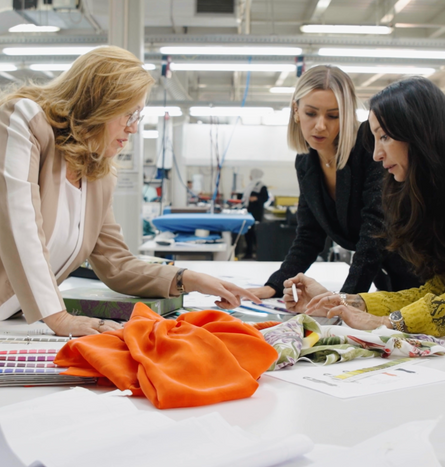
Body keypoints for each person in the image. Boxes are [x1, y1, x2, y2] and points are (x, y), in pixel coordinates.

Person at [0, 46, 260, 337]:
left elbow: (117, 265)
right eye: (129, 114)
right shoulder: (24, 119)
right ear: (98, 105)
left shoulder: (97, 177)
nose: (134, 128)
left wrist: (188, 278)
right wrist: (58, 317)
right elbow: (18, 223)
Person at [296, 76, 445, 337]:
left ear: (419, 132)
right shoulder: (441, 192)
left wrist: (388, 323)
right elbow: (439, 288)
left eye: (384, 136)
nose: (376, 154)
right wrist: (347, 302)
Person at [250, 65, 419, 302]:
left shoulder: (368, 146)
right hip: (384, 279)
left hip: (418, 271)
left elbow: (376, 232)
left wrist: (345, 301)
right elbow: (309, 234)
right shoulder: (306, 160)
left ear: (347, 114)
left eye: (333, 115)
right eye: (311, 113)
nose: (320, 125)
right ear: (296, 110)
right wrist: (275, 285)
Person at [242, 168, 269, 259]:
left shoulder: (261, 186)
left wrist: (256, 198)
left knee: (254, 233)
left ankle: (256, 253)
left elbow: (265, 198)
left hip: (256, 213)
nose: (249, 176)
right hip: (248, 212)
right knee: (248, 232)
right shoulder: (251, 185)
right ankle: (249, 252)